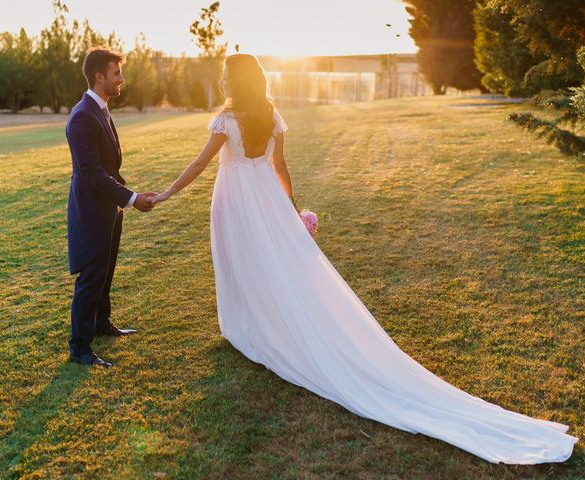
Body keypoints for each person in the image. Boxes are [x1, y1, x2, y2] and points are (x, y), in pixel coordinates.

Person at [150, 53, 578, 463]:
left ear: (236, 80)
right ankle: (257, 325)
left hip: (237, 201)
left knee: (242, 263)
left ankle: (251, 329)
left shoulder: (226, 121)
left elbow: (200, 164)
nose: (223, 80)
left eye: (226, 74)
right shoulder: (270, 115)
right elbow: (281, 168)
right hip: (266, 201)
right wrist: (289, 211)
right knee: (272, 266)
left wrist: (165, 194)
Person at [66, 49, 157, 368]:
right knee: (91, 275)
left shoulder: (100, 109)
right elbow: (92, 172)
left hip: (110, 208)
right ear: (99, 77)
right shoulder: (81, 116)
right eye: (117, 73)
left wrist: (127, 196)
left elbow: (110, 166)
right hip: (92, 210)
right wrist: (131, 198)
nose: (122, 79)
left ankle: (101, 324)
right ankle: (79, 347)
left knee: (106, 271)